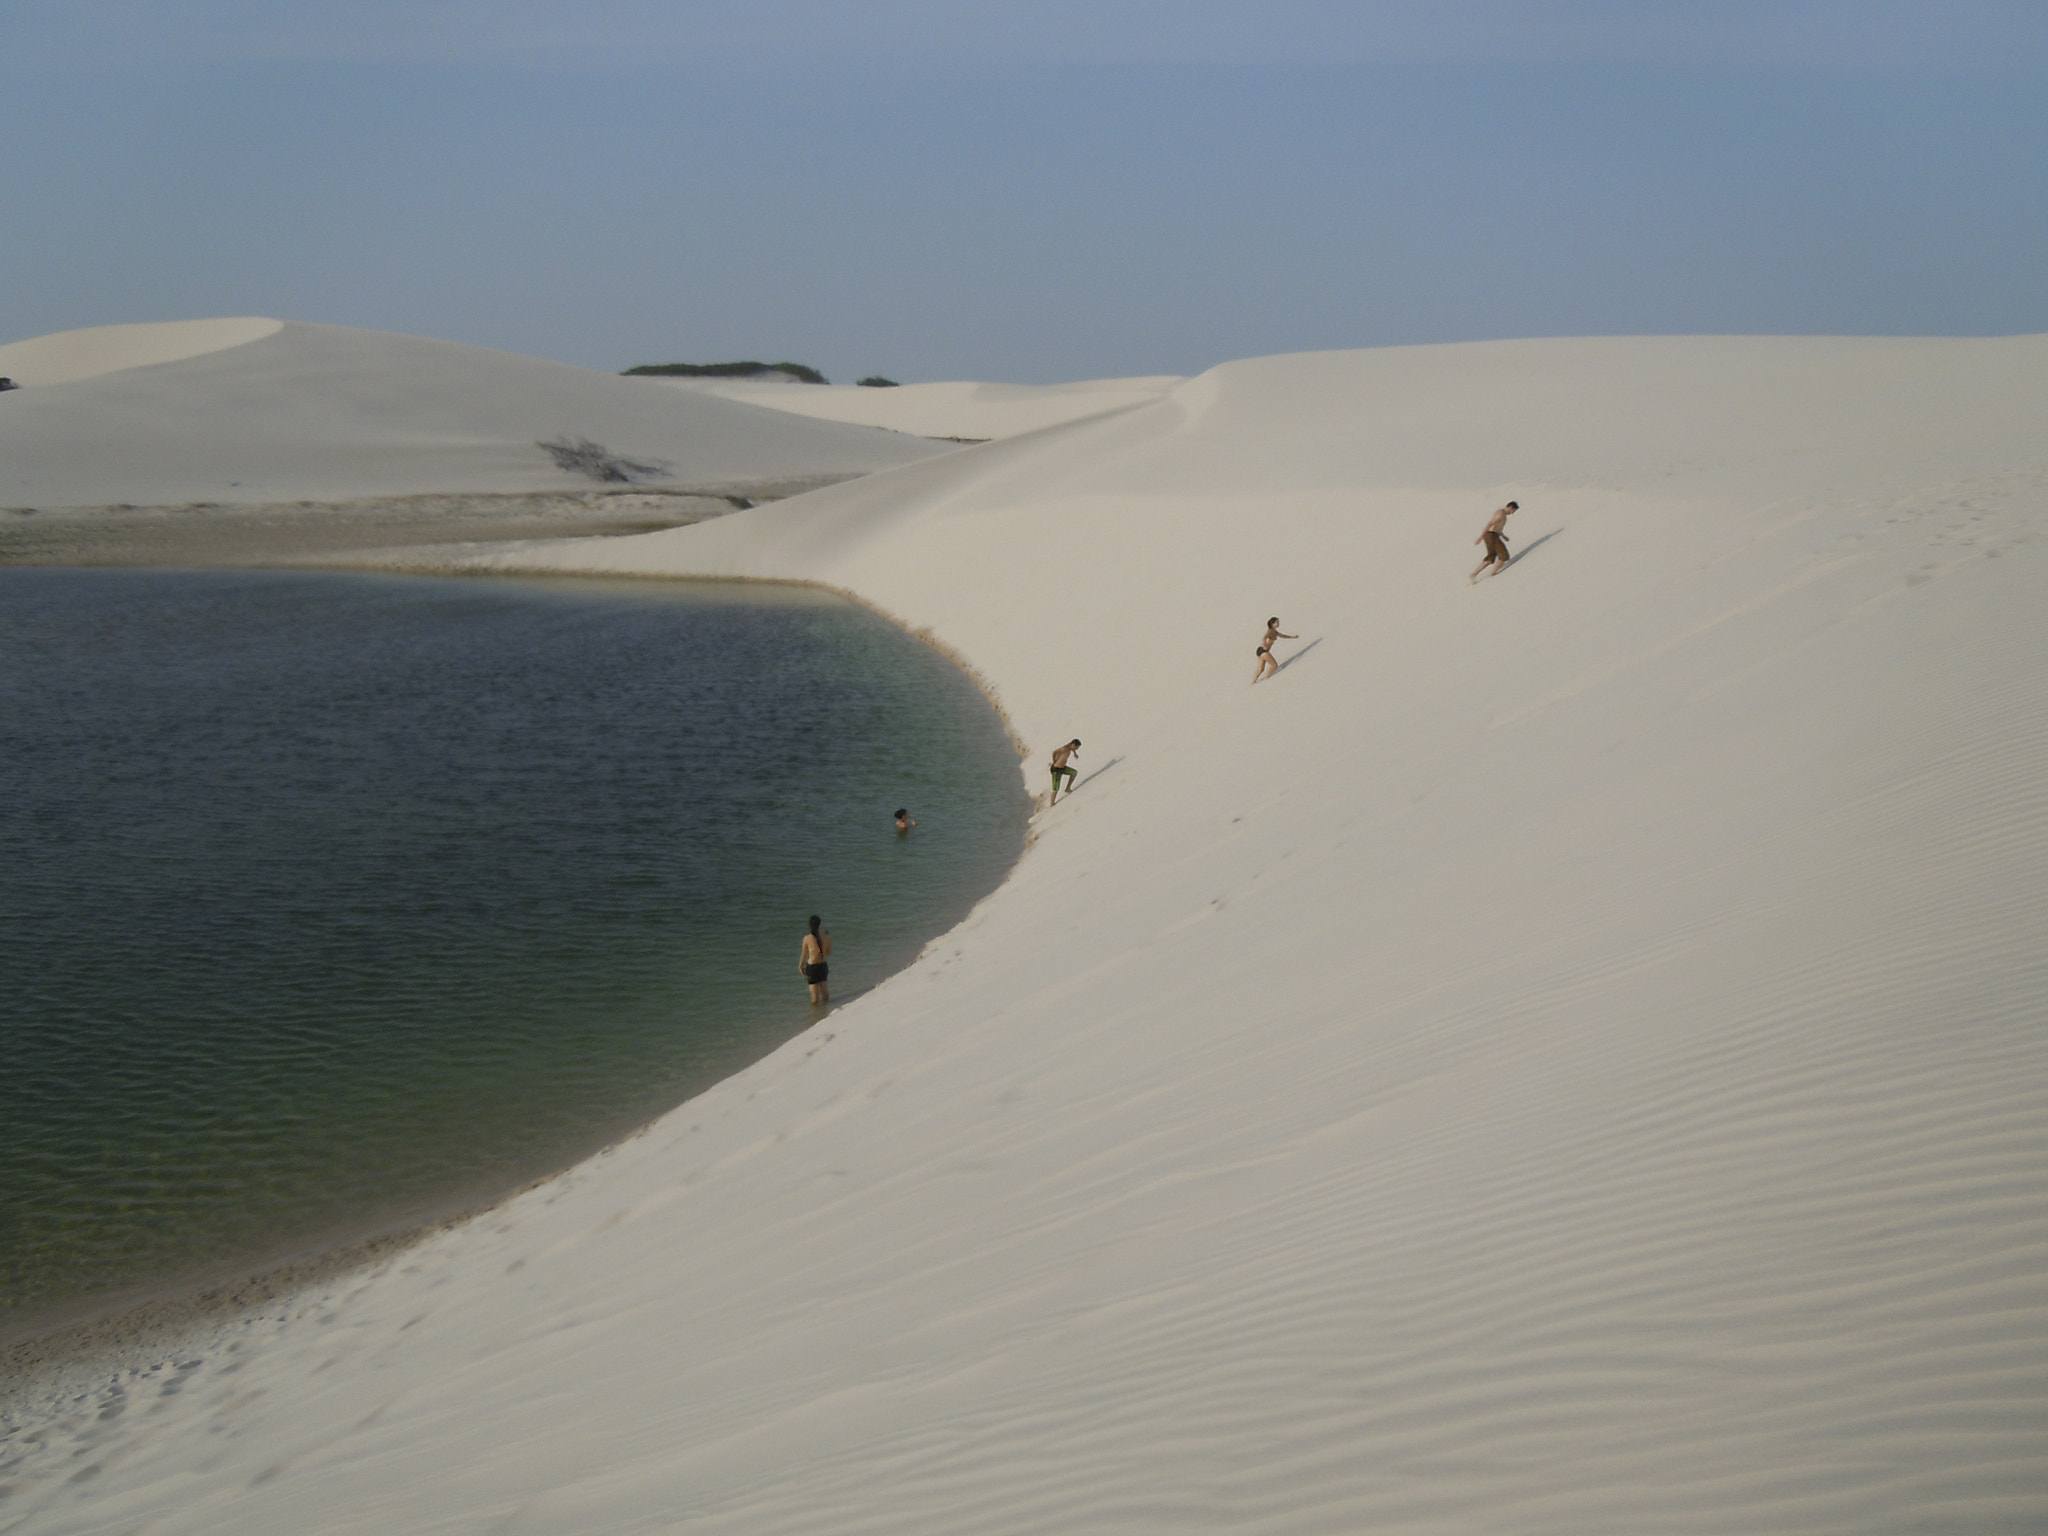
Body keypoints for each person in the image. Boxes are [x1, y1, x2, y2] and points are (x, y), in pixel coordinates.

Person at [1469, 500, 1519, 583]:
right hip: (1491, 536)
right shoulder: (1501, 515)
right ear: (1510, 507)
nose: (1513, 513)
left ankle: (1474, 574)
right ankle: (1492, 575)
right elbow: (1489, 525)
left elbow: (1497, 527)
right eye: (1513, 511)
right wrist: (1480, 538)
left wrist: (1503, 536)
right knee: (1504, 555)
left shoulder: (1500, 512)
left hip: (1493, 535)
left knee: (1491, 556)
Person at [799, 913, 832, 1005]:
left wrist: (800, 966)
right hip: (823, 966)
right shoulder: (827, 937)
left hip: (812, 967)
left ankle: (816, 1016)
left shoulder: (807, 938)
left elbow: (804, 954)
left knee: (815, 998)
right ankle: (826, 1012)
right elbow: (829, 953)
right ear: (820, 924)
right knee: (825, 994)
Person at [1252, 617, 1297, 684]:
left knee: (1261, 669)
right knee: (1274, 665)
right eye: (1276, 622)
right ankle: (1267, 679)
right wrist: (1264, 644)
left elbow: (1282, 636)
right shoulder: (1270, 631)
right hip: (1264, 651)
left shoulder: (1274, 632)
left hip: (1260, 650)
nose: (1278, 624)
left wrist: (1293, 637)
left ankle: (1253, 682)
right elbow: (1264, 637)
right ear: (1272, 624)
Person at [1048, 739, 1081, 804]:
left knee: (1074, 772)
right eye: (1076, 747)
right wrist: (1054, 762)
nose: (1077, 749)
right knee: (1055, 789)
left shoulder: (1070, 747)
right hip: (1056, 769)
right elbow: (1054, 752)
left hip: (1063, 768)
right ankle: (1051, 803)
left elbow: (1072, 749)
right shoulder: (1064, 748)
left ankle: (1067, 788)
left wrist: (1075, 754)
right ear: (1073, 745)